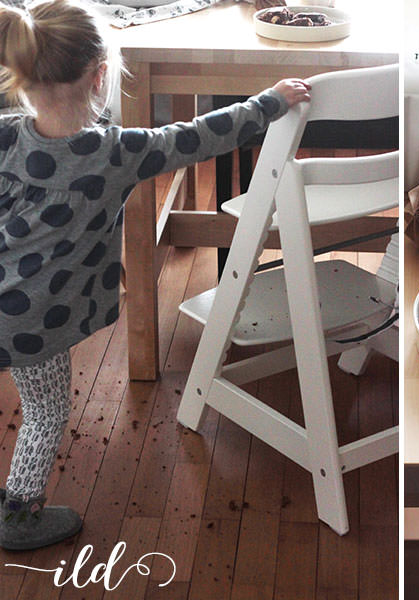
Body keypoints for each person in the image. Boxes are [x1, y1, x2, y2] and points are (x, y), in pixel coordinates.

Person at [0, 0, 310, 550]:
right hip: (34, 320)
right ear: (101, 77)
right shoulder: (115, 152)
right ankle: (18, 516)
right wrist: (269, 103)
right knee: (46, 409)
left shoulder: (5, 136)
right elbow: (197, 136)